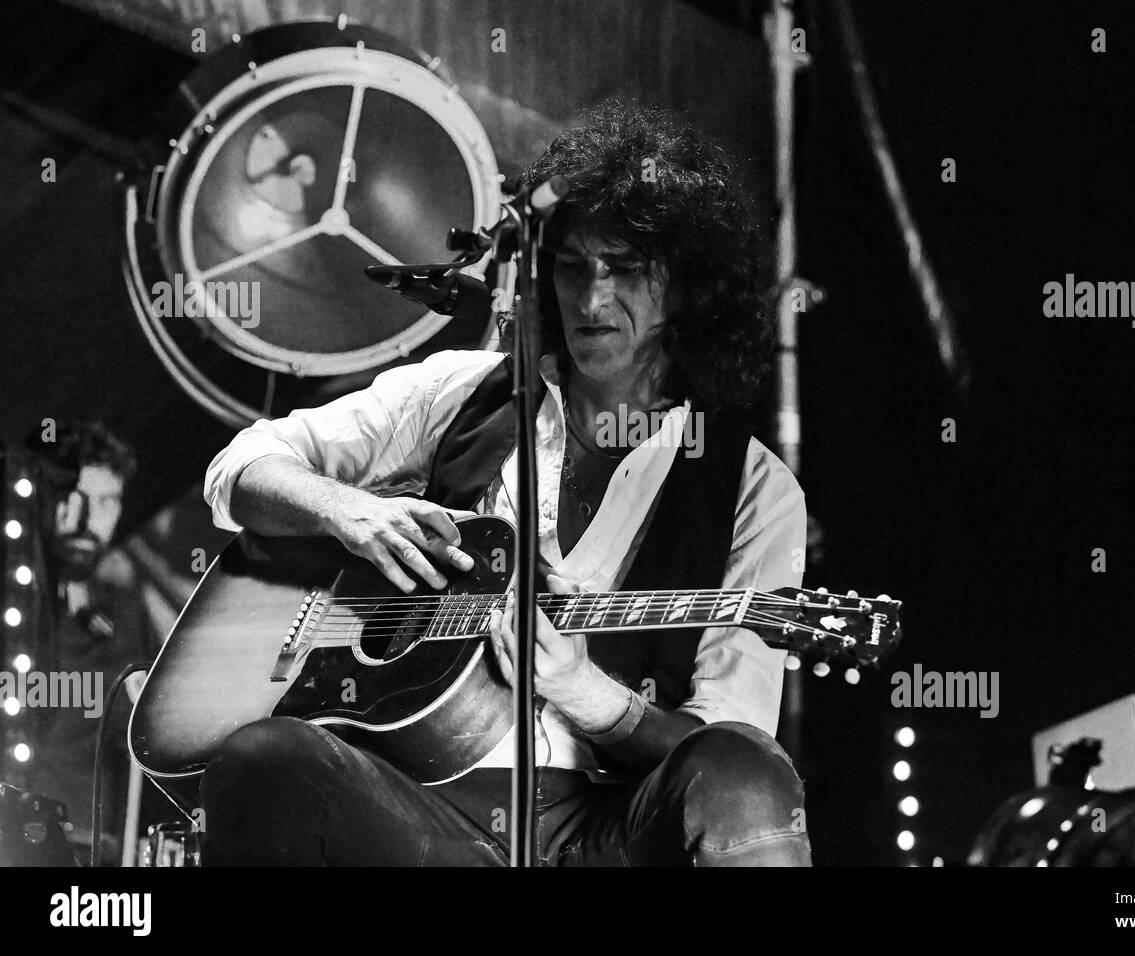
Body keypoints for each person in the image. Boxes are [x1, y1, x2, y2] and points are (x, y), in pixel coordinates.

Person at [199, 102, 812, 866]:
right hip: (417, 811)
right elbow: (241, 469)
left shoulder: (756, 488)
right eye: (570, 265)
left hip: (610, 833)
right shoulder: (462, 391)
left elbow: (722, 743)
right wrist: (349, 513)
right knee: (263, 761)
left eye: (624, 269)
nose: (590, 300)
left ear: (686, 285)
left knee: (748, 775)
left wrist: (589, 692)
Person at [21, 421, 153, 860]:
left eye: (105, 501)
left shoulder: (127, 612)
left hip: (88, 853)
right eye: (72, 497)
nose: (86, 518)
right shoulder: (17, 603)